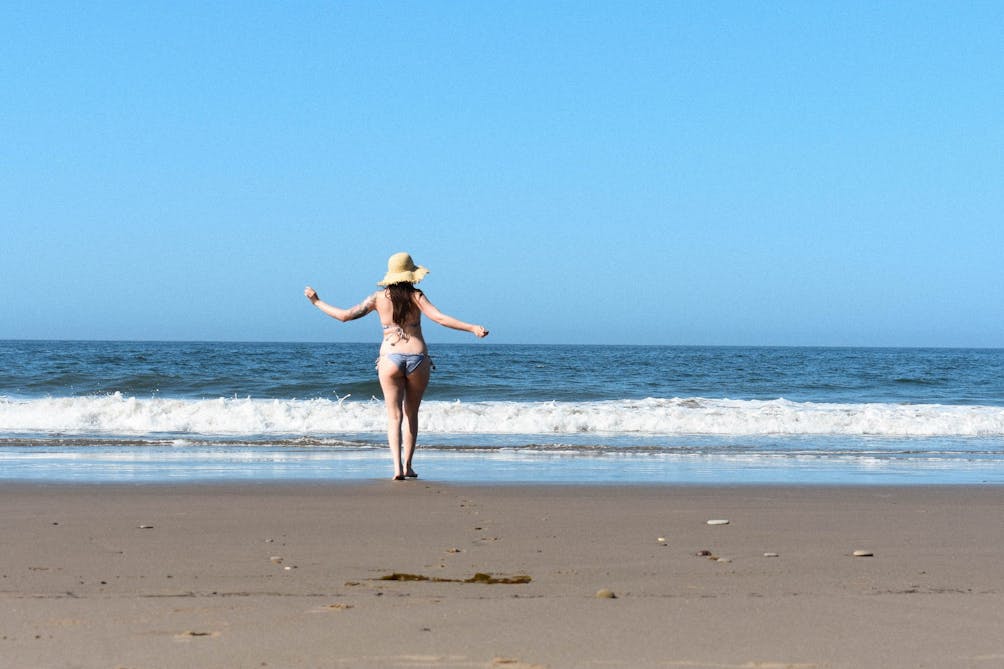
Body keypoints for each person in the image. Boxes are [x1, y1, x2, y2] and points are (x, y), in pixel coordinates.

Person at [305, 252, 489, 480]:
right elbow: (440, 318)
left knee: (393, 416)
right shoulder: (417, 296)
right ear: (411, 274)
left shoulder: (378, 298)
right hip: (417, 358)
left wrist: (316, 301)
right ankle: (409, 465)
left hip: (390, 358)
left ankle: (396, 468)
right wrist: (472, 328)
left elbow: (344, 316)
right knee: (411, 414)